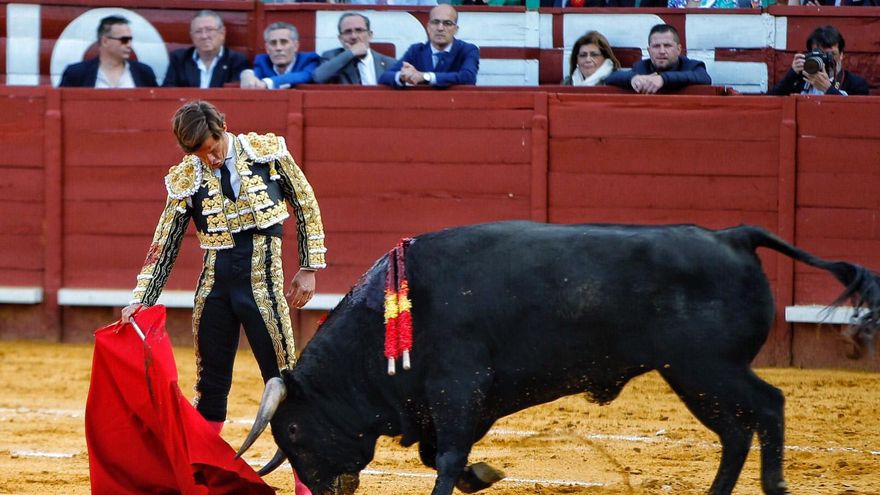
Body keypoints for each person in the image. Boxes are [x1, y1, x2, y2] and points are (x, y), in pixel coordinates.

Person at [121, 100, 326, 441]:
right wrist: (142, 298)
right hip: (214, 287)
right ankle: (206, 474)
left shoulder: (267, 152)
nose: (209, 160)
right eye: (198, 155)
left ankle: (305, 483)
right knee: (209, 386)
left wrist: (309, 266)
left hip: (263, 283)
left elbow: (306, 204)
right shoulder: (188, 174)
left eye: (211, 149)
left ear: (221, 129)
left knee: (282, 379)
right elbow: (165, 241)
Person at [378, 4, 479, 88]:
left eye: (447, 23)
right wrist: (403, 76)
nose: (440, 28)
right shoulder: (416, 50)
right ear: (428, 27)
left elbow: (468, 77)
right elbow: (385, 77)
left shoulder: (468, 50)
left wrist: (426, 77)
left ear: (456, 29)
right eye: (435, 22)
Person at [605, 24, 711, 94]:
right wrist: (633, 78)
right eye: (656, 46)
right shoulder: (641, 67)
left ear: (678, 49)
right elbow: (611, 77)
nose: (662, 51)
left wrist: (663, 79)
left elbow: (704, 78)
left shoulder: (691, 66)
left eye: (667, 46)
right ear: (649, 50)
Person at [59, 15, 157, 88]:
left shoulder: (144, 73)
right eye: (124, 40)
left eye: (130, 40)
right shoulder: (77, 73)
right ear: (105, 41)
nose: (129, 45)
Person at [769, 25, 869, 96]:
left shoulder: (856, 84)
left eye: (831, 54)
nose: (825, 60)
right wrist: (792, 74)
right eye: (820, 54)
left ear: (841, 55)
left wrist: (828, 89)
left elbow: (857, 115)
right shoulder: (800, 80)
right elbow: (770, 102)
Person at [162, 10, 249, 88]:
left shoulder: (236, 61)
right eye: (198, 31)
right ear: (192, 36)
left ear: (222, 33)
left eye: (209, 30)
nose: (204, 36)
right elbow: (166, 93)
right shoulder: (179, 59)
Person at [312, 13, 398, 85]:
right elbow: (318, 77)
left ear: (370, 35)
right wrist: (351, 53)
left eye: (359, 30)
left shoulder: (389, 63)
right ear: (340, 38)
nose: (354, 36)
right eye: (348, 32)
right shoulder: (331, 57)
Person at [240, 22, 319, 89]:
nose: (278, 48)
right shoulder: (263, 61)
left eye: (284, 42)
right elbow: (254, 74)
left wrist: (267, 83)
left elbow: (306, 75)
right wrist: (246, 74)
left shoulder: (308, 60)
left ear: (296, 46)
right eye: (273, 43)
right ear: (267, 48)